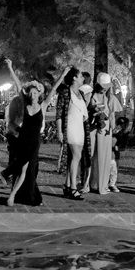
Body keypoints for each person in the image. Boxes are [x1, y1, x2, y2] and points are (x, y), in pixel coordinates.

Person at [2, 60, 67, 206]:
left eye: (35, 92)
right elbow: (18, 84)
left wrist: (63, 74)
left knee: (28, 169)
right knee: (24, 169)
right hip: (22, 140)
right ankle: (15, 196)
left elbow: (54, 88)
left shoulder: (43, 105)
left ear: (39, 93)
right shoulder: (25, 104)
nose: (32, 95)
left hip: (34, 142)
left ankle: (10, 183)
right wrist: (10, 67)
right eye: (30, 92)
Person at [56, 68, 88, 200]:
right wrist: (59, 131)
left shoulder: (80, 93)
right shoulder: (65, 92)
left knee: (73, 159)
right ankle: (74, 187)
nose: (83, 78)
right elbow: (59, 113)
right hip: (70, 128)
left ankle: (67, 185)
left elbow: (83, 112)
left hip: (80, 128)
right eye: (80, 76)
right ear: (74, 78)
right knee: (76, 156)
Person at [88, 73, 123, 195]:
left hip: (106, 130)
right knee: (93, 156)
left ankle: (103, 184)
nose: (104, 87)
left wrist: (113, 129)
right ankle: (92, 183)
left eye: (106, 85)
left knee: (104, 157)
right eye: (102, 85)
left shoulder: (111, 98)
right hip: (94, 129)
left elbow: (113, 115)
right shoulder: (92, 96)